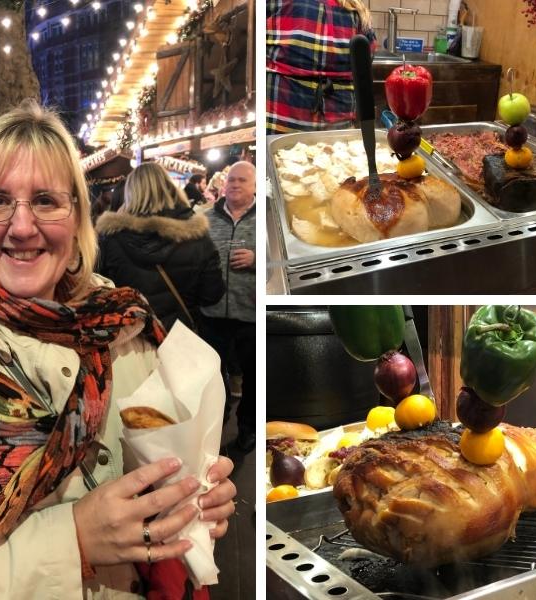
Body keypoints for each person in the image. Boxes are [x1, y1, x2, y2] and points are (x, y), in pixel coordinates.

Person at [0, 101, 236, 599]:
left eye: (45, 201)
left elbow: (164, 472)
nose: (21, 227)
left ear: (77, 214)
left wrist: (192, 501)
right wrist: (73, 541)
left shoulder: (123, 325)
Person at [96, 162, 225, 332]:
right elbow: (212, 295)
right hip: (180, 337)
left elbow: (100, 293)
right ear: (169, 188)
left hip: (130, 338)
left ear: (129, 193)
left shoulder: (110, 239)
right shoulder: (196, 236)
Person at [200, 161, 256, 452]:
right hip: (212, 314)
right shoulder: (206, 219)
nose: (234, 184)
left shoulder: (266, 219)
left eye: (242, 180)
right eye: (231, 180)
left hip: (250, 316)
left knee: (252, 380)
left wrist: (257, 259)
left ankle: (248, 432)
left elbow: (281, 265)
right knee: (211, 380)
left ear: (255, 186)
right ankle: (211, 433)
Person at [266, 0, 377, 133]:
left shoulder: (278, 3)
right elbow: (366, 60)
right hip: (337, 131)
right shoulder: (358, 12)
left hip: (282, 123)